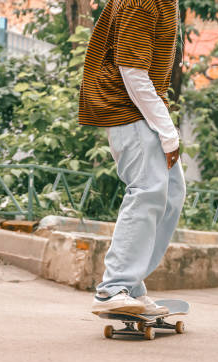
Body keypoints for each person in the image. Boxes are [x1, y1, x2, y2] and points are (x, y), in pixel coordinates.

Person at [79, 0, 186, 316]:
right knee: (148, 192)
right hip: (128, 111)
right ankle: (114, 287)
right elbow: (133, 71)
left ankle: (132, 285)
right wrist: (167, 132)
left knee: (171, 195)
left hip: (139, 112)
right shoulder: (143, 2)